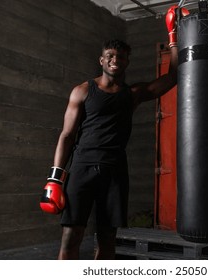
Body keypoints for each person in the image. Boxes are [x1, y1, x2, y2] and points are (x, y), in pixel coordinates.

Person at [39, 6, 189, 260]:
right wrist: (55, 179)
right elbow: (67, 135)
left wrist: (174, 37)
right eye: (110, 55)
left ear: (127, 61)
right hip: (82, 169)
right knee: (71, 238)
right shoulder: (82, 91)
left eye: (120, 56)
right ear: (102, 60)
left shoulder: (133, 95)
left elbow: (173, 76)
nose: (115, 59)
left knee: (108, 240)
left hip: (115, 172)